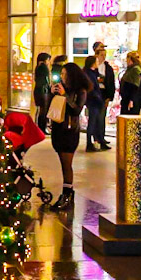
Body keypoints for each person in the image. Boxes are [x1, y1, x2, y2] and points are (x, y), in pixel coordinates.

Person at [47, 61, 90, 207]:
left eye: (65, 74)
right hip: (58, 129)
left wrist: (65, 96)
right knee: (62, 163)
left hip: (70, 131)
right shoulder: (62, 88)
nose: (62, 77)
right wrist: (51, 93)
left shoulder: (80, 91)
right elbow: (51, 108)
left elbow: (76, 110)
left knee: (67, 164)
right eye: (61, 74)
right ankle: (67, 193)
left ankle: (67, 194)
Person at [83, 40, 115, 151]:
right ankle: (94, 140)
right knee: (94, 120)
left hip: (102, 95)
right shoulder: (91, 70)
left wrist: (109, 96)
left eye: (105, 55)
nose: (103, 57)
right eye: (101, 55)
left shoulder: (107, 68)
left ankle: (100, 138)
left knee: (101, 118)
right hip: (94, 97)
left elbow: (111, 82)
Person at [119, 50, 141, 117]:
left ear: (130, 59)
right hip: (126, 99)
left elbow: (136, 86)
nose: (126, 61)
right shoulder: (130, 69)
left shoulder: (135, 69)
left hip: (130, 100)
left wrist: (132, 100)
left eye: (127, 59)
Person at [33, 52, 53, 132]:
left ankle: (40, 127)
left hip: (38, 90)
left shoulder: (38, 67)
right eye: (48, 60)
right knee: (44, 110)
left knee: (41, 110)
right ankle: (42, 128)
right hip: (43, 91)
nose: (49, 62)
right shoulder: (43, 67)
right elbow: (46, 80)